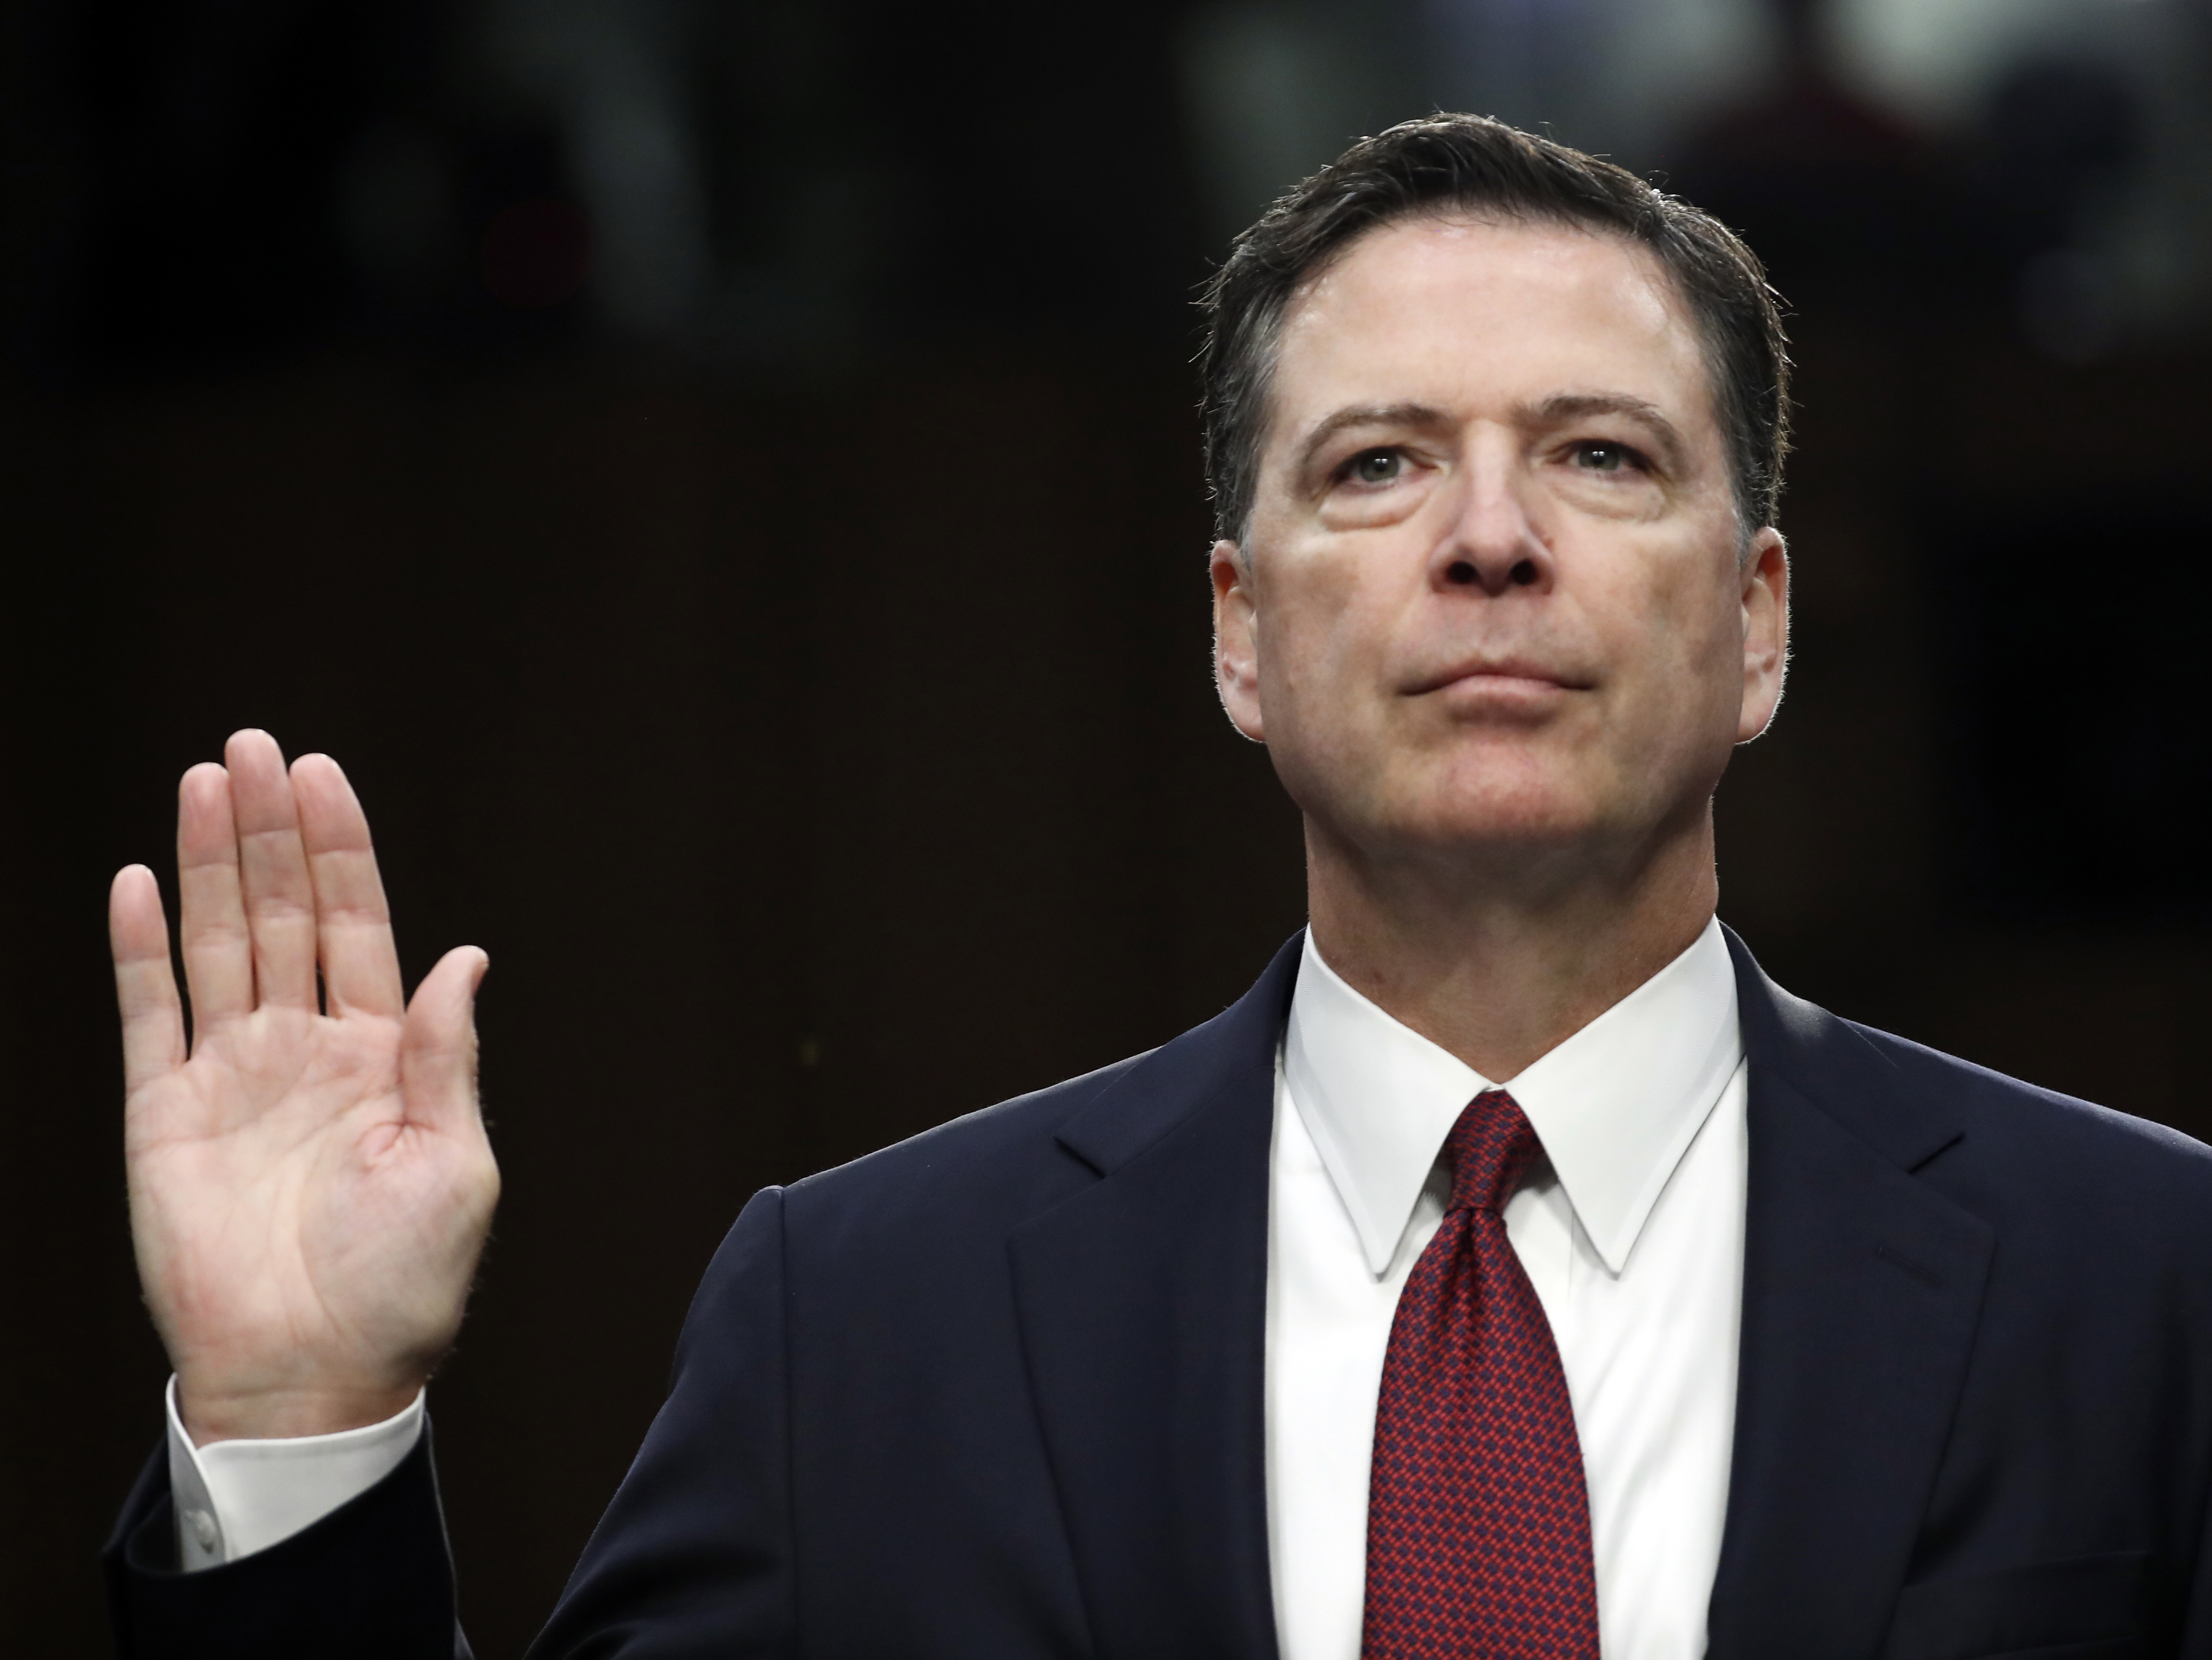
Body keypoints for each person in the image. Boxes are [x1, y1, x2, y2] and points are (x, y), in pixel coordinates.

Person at [102, 115, 2212, 1660]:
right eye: (1376, 464)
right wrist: (297, 1428)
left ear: (1758, 620)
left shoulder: (2150, 1283)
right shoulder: (864, 1322)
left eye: (1598, 455)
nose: (1487, 538)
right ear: (1236, 633)